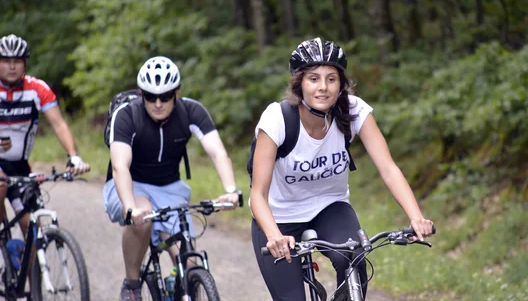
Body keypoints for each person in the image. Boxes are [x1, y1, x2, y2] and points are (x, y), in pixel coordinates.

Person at [250, 38, 435, 300]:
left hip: (330, 208)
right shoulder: (277, 119)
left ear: (341, 84)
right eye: (313, 79)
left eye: (331, 79)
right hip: (278, 218)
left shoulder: (354, 110)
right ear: (299, 83)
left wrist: (416, 217)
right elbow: (257, 194)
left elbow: (388, 168)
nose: (323, 87)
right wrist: (274, 236)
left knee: (354, 258)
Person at [103, 56, 240, 301]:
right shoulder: (126, 115)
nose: (157, 103)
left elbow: (217, 152)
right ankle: (132, 284)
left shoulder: (191, 111)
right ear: (140, 94)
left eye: (165, 96)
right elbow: (120, 167)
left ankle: (183, 289)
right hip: (129, 185)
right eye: (150, 96)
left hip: (170, 188)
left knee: (189, 261)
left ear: (176, 93)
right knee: (141, 219)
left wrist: (230, 189)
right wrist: (130, 207)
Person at [0, 33, 90, 234]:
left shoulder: (37, 89)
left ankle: (33, 264)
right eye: (6, 61)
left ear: (25, 64)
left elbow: (59, 124)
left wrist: (73, 156)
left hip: (19, 167)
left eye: (17, 61)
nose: (12, 66)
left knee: (32, 227)